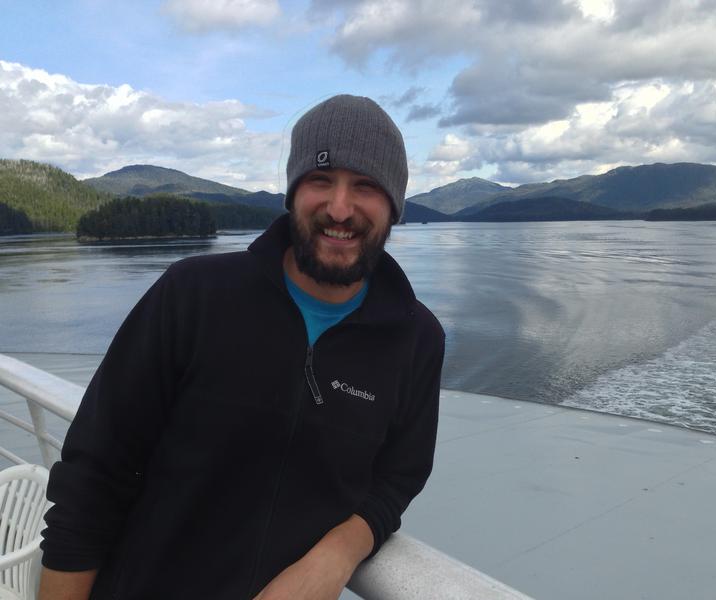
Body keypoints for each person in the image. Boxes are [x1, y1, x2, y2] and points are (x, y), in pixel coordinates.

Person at [39, 94, 445, 600]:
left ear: (394, 205)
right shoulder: (193, 295)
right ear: (292, 193)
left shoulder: (416, 339)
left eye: (365, 186)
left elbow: (398, 477)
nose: (340, 208)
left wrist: (340, 551)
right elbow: (96, 470)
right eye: (321, 180)